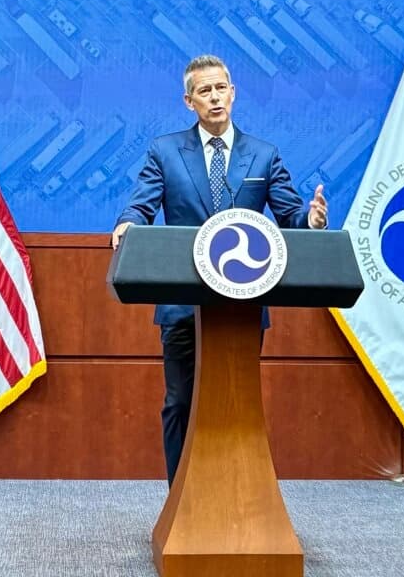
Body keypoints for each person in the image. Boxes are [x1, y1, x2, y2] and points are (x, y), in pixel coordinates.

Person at [112, 54, 327, 486]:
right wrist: (128, 222)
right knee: (180, 402)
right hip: (183, 303)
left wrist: (312, 220)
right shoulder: (165, 151)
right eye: (204, 91)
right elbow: (141, 204)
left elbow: (291, 218)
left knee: (236, 403)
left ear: (233, 93)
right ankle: (181, 497)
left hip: (242, 303)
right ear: (189, 101)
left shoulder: (263, 155)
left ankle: (233, 496)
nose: (214, 97)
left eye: (220, 88)